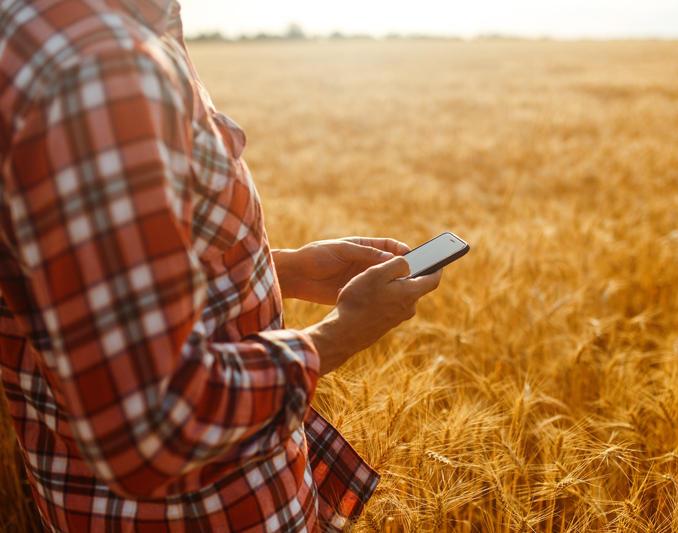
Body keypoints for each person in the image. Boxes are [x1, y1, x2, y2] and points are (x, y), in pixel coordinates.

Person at [0, 0, 442, 531]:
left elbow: (86, 293)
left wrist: (285, 272)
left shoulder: (55, 32)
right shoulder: (98, 68)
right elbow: (154, 424)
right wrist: (339, 334)